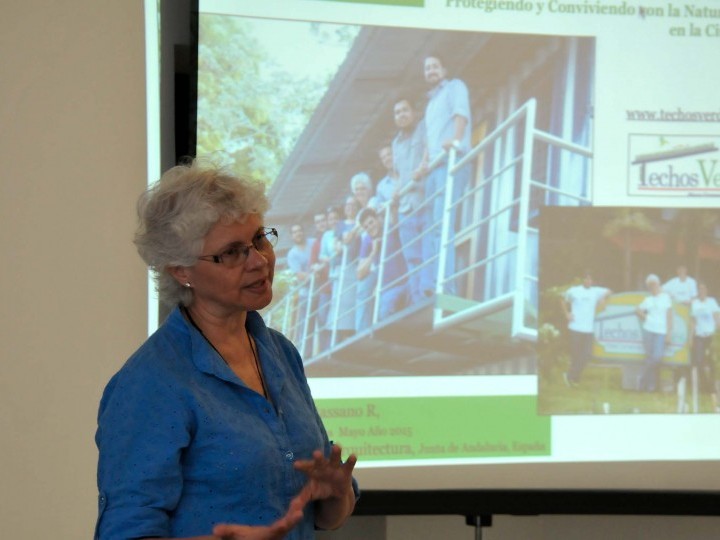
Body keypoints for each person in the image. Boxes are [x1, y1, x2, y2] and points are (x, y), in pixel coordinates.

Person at [95, 163, 358, 540]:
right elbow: (125, 532)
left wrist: (336, 494)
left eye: (260, 239)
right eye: (232, 253)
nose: (259, 260)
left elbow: (323, 518)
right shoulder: (151, 383)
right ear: (180, 270)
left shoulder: (281, 352)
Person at [419, 54, 472, 296]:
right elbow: (429, 141)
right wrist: (423, 164)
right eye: (427, 68)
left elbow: (461, 114)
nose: (431, 71)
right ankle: (431, 287)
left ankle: (446, 287)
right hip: (434, 168)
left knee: (443, 223)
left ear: (443, 68)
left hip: (452, 160)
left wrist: (457, 139)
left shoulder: (454, 86)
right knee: (432, 229)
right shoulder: (430, 104)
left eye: (434, 66)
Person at [391, 97, 426, 304]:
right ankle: (417, 299)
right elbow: (397, 174)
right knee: (411, 258)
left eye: (405, 110)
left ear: (413, 112)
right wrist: (396, 192)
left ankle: (426, 292)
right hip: (405, 207)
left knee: (427, 251)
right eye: (397, 112)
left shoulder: (423, 129)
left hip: (423, 199)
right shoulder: (396, 143)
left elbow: (429, 155)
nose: (401, 115)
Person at [356, 206, 408, 328]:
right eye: (366, 227)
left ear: (378, 219)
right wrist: (373, 253)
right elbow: (359, 274)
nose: (370, 227)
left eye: (371, 222)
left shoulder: (389, 229)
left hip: (406, 280)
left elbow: (395, 220)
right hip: (387, 289)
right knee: (383, 315)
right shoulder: (368, 241)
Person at [560, 272, 612, 387]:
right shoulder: (574, 291)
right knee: (576, 355)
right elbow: (563, 299)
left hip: (588, 329)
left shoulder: (595, 291)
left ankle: (570, 376)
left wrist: (602, 298)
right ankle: (574, 380)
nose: (588, 281)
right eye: (586, 279)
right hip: (575, 327)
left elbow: (609, 291)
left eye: (590, 279)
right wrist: (567, 314)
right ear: (582, 280)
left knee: (587, 355)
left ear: (592, 281)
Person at [636, 274, 673, 392]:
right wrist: (645, 317)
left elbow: (669, 316)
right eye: (650, 285)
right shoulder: (648, 300)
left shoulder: (666, 297)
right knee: (649, 357)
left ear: (658, 284)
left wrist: (669, 333)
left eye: (654, 284)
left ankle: (641, 379)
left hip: (661, 332)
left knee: (656, 357)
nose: (653, 287)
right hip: (648, 330)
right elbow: (637, 310)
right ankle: (649, 387)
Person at [689, 281, 720, 411]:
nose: (702, 291)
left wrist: (717, 333)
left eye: (703, 289)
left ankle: (713, 386)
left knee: (713, 363)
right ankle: (705, 387)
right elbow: (693, 321)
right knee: (699, 361)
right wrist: (690, 338)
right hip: (699, 336)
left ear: (706, 290)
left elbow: (717, 318)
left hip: (711, 336)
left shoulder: (712, 302)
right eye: (699, 289)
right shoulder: (695, 304)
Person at [286, 223, 316, 353]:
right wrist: (314, 275)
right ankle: (306, 353)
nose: (298, 234)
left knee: (322, 318)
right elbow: (299, 274)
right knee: (306, 324)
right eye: (295, 232)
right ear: (292, 236)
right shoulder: (292, 254)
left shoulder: (313, 243)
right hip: (306, 293)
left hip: (322, 288)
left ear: (303, 232)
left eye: (299, 231)